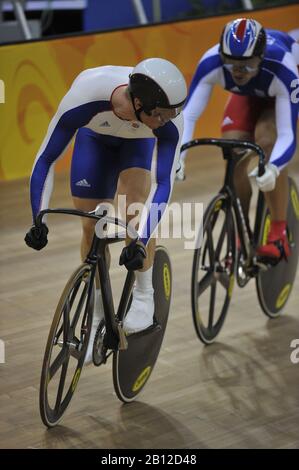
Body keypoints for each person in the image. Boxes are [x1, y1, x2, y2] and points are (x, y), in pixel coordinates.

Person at [25, 57, 187, 362]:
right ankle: (97, 313)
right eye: (163, 115)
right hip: (94, 141)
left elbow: (162, 184)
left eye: (172, 114)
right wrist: (38, 217)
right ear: (139, 103)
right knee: (91, 225)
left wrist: (139, 242)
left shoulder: (168, 121)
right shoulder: (87, 94)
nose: (169, 119)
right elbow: (46, 158)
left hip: (137, 147)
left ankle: (144, 295)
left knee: (134, 212)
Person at [179, 18, 299, 261]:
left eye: (246, 65)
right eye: (231, 63)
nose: (238, 71)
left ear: (261, 56)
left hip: (278, 94)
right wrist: (178, 156)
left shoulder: (282, 66)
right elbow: (188, 115)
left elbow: (287, 134)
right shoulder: (212, 61)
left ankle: (278, 234)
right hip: (247, 96)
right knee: (234, 151)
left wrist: (273, 168)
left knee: (267, 141)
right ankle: (241, 235)